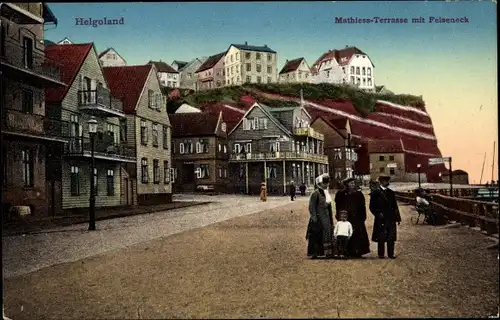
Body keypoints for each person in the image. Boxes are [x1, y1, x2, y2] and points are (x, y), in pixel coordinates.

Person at [334, 177, 371, 258]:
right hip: (347, 217)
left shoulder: (358, 194)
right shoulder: (342, 194)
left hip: (357, 218)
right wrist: (339, 215)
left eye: (354, 183)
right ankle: (347, 251)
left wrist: (363, 216)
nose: (352, 185)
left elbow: (362, 206)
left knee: (357, 234)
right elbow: (338, 205)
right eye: (351, 183)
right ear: (347, 184)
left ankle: (358, 251)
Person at [369, 175, 401, 259]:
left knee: (391, 236)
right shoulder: (375, 193)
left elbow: (395, 206)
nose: (387, 182)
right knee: (381, 237)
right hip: (381, 218)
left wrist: (398, 217)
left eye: (387, 181)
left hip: (390, 217)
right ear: (380, 182)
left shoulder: (391, 192)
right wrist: (377, 213)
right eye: (385, 181)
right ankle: (381, 254)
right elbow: (371, 207)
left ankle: (391, 254)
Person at [306, 173, 335, 259]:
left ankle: (326, 252)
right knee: (316, 235)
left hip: (326, 218)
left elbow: (329, 207)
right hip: (318, 218)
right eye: (324, 183)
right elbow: (311, 206)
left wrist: (330, 219)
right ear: (319, 184)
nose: (326, 185)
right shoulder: (315, 193)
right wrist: (314, 218)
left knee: (326, 234)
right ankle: (314, 253)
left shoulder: (326, 193)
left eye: (327, 183)